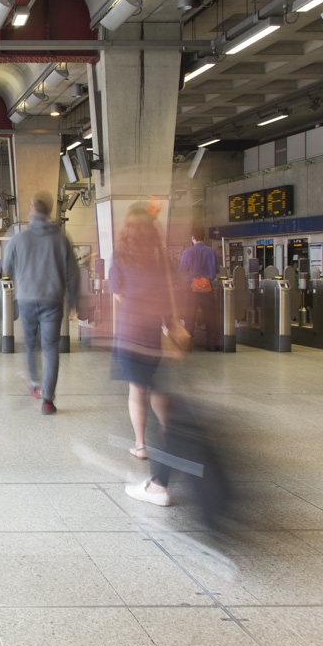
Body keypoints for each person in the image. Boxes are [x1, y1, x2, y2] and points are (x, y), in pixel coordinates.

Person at [108, 206, 173, 503]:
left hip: (129, 328)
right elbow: (169, 291)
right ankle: (166, 430)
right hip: (152, 329)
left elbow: (118, 292)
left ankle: (141, 444)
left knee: (136, 389)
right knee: (156, 384)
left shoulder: (120, 255)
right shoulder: (161, 256)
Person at [2, 193, 79, 415]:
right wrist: (73, 300)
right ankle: (48, 399)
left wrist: (23, 275)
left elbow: (6, 267)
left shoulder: (18, 238)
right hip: (53, 300)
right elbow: (73, 274)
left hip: (26, 298)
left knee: (30, 344)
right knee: (51, 348)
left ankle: (34, 384)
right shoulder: (62, 239)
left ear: (30, 212)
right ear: (49, 212)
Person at [179, 228, 220, 351]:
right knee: (210, 317)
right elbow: (216, 271)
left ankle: (188, 344)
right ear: (204, 238)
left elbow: (181, 271)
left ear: (192, 238)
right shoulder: (212, 252)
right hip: (207, 287)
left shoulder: (187, 252)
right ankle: (212, 344)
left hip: (191, 289)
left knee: (189, 317)